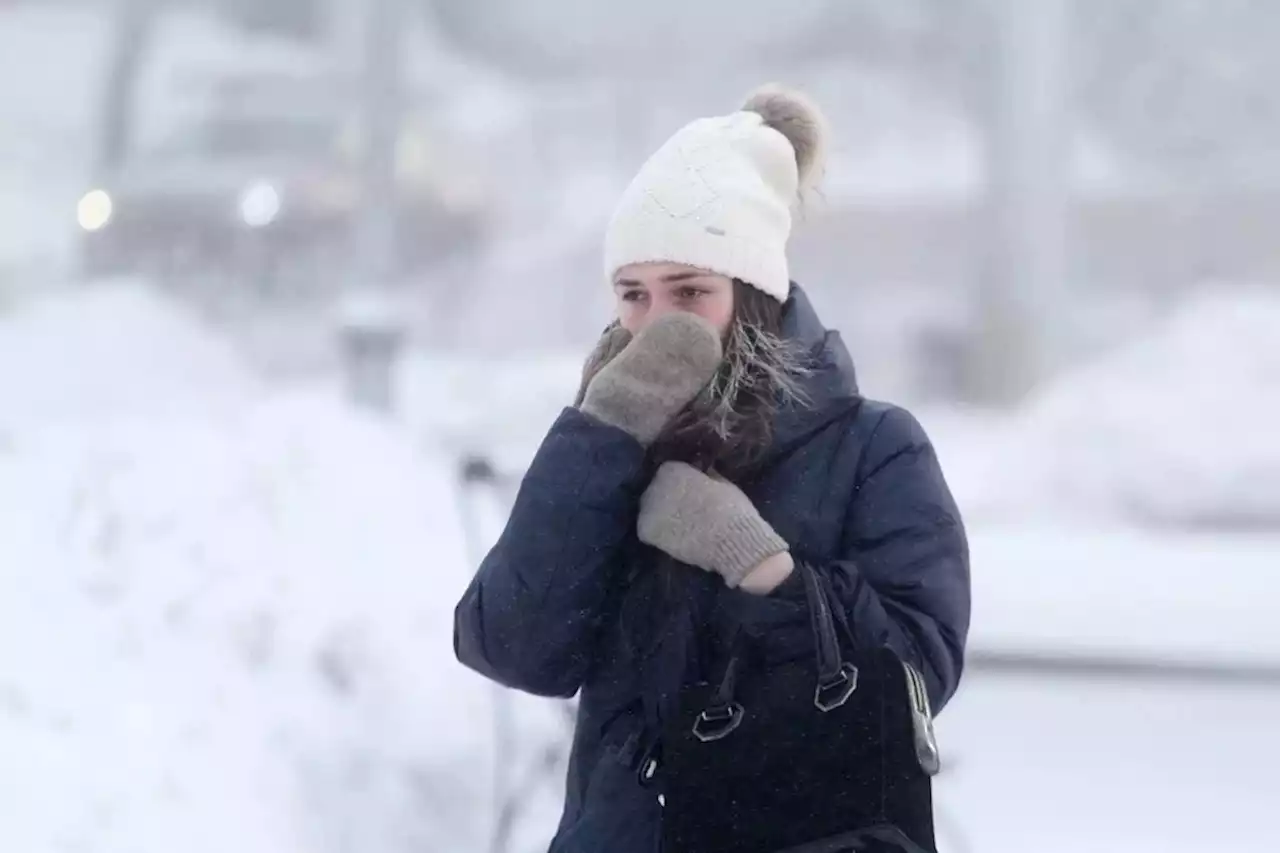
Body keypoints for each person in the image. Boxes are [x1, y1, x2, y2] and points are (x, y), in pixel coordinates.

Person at [454, 84, 971, 853]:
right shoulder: (609, 449)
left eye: (690, 291)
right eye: (634, 293)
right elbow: (511, 643)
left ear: (755, 297)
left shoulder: (876, 446)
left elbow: (914, 676)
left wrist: (764, 569)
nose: (656, 322)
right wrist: (598, 440)